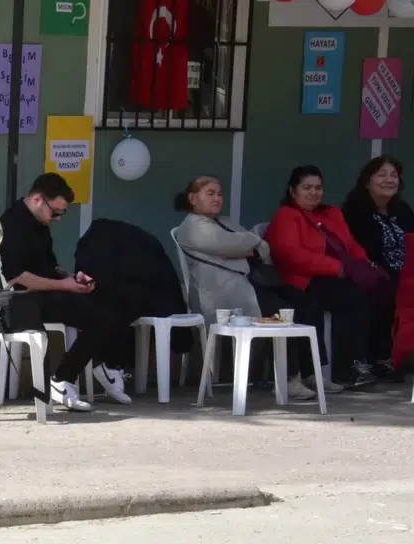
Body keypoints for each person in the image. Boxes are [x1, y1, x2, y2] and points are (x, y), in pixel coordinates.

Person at [174, 175, 334, 399]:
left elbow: (262, 246)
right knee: (282, 312)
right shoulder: (191, 227)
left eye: (219, 194)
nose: (217, 198)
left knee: (306, 303)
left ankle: (310, 373)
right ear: (193, 198)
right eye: (210, 193)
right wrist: (247, 247)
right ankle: (289, 379)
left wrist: (245, 248)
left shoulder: (227, 222)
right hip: (225, 294)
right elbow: (233, 244)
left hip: (251, 283)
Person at [0, 172, 139, 412]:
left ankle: (105, 364)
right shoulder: (12, 224)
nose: (58, 219)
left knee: (117, 296)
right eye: (56, 212)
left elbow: (50, 265)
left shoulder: (40, 223)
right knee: (99, 316)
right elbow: (17, 277)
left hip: (50, 292)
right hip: (25, 299)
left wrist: (72, 277)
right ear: (38, 200)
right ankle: (64, 379)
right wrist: (66, 286)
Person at [265, 165, 380, 388]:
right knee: (350, 298)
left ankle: (361, 364)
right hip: (302, 279)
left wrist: (363, 265)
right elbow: (291, 255)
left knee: (369, 294)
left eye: (318, 188)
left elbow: (350, 245)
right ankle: (345, 370)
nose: (313, 192)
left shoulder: (331, 213)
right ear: (293, 191)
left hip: (334, 276)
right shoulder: (286, 216)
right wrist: (337, 268)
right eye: (307, 187)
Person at [341, 156, 413, 379]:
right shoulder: (354, 211)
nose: (389, 180)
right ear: (367, 181)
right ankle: (382, 358)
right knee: (388, 293)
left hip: (406, 273)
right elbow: (357, 251)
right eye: (381, 175)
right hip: (373, 274)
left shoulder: (402, 210)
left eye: (393, 175)